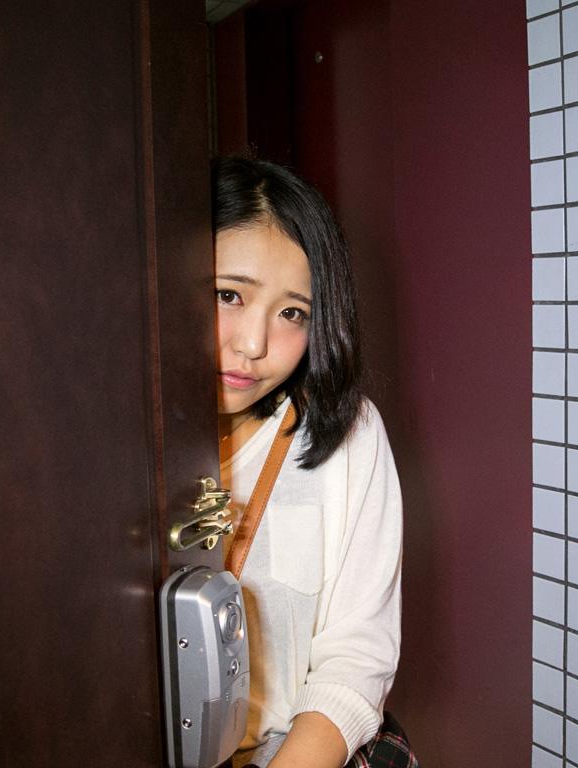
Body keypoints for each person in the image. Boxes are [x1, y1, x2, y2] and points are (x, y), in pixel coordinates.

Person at [211, 157, 410, 768]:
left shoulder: (347, 435)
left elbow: (356, 657)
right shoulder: (102, 440)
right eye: (228, 295)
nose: (253, 344)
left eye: (292, 312)